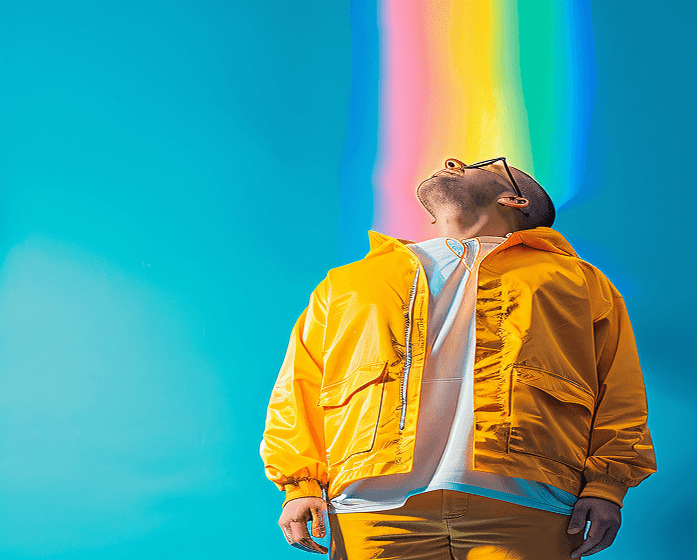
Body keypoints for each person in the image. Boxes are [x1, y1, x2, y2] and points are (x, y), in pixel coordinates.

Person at [260, 156, 656, 559]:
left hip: (529, 500)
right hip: (370, 506)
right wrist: (299, 484)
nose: (451, 162)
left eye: (479, 165)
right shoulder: (347, 283)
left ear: (514, 200)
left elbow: (619, 389)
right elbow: (300, 386)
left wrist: (607, 486)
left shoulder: (579, 280)